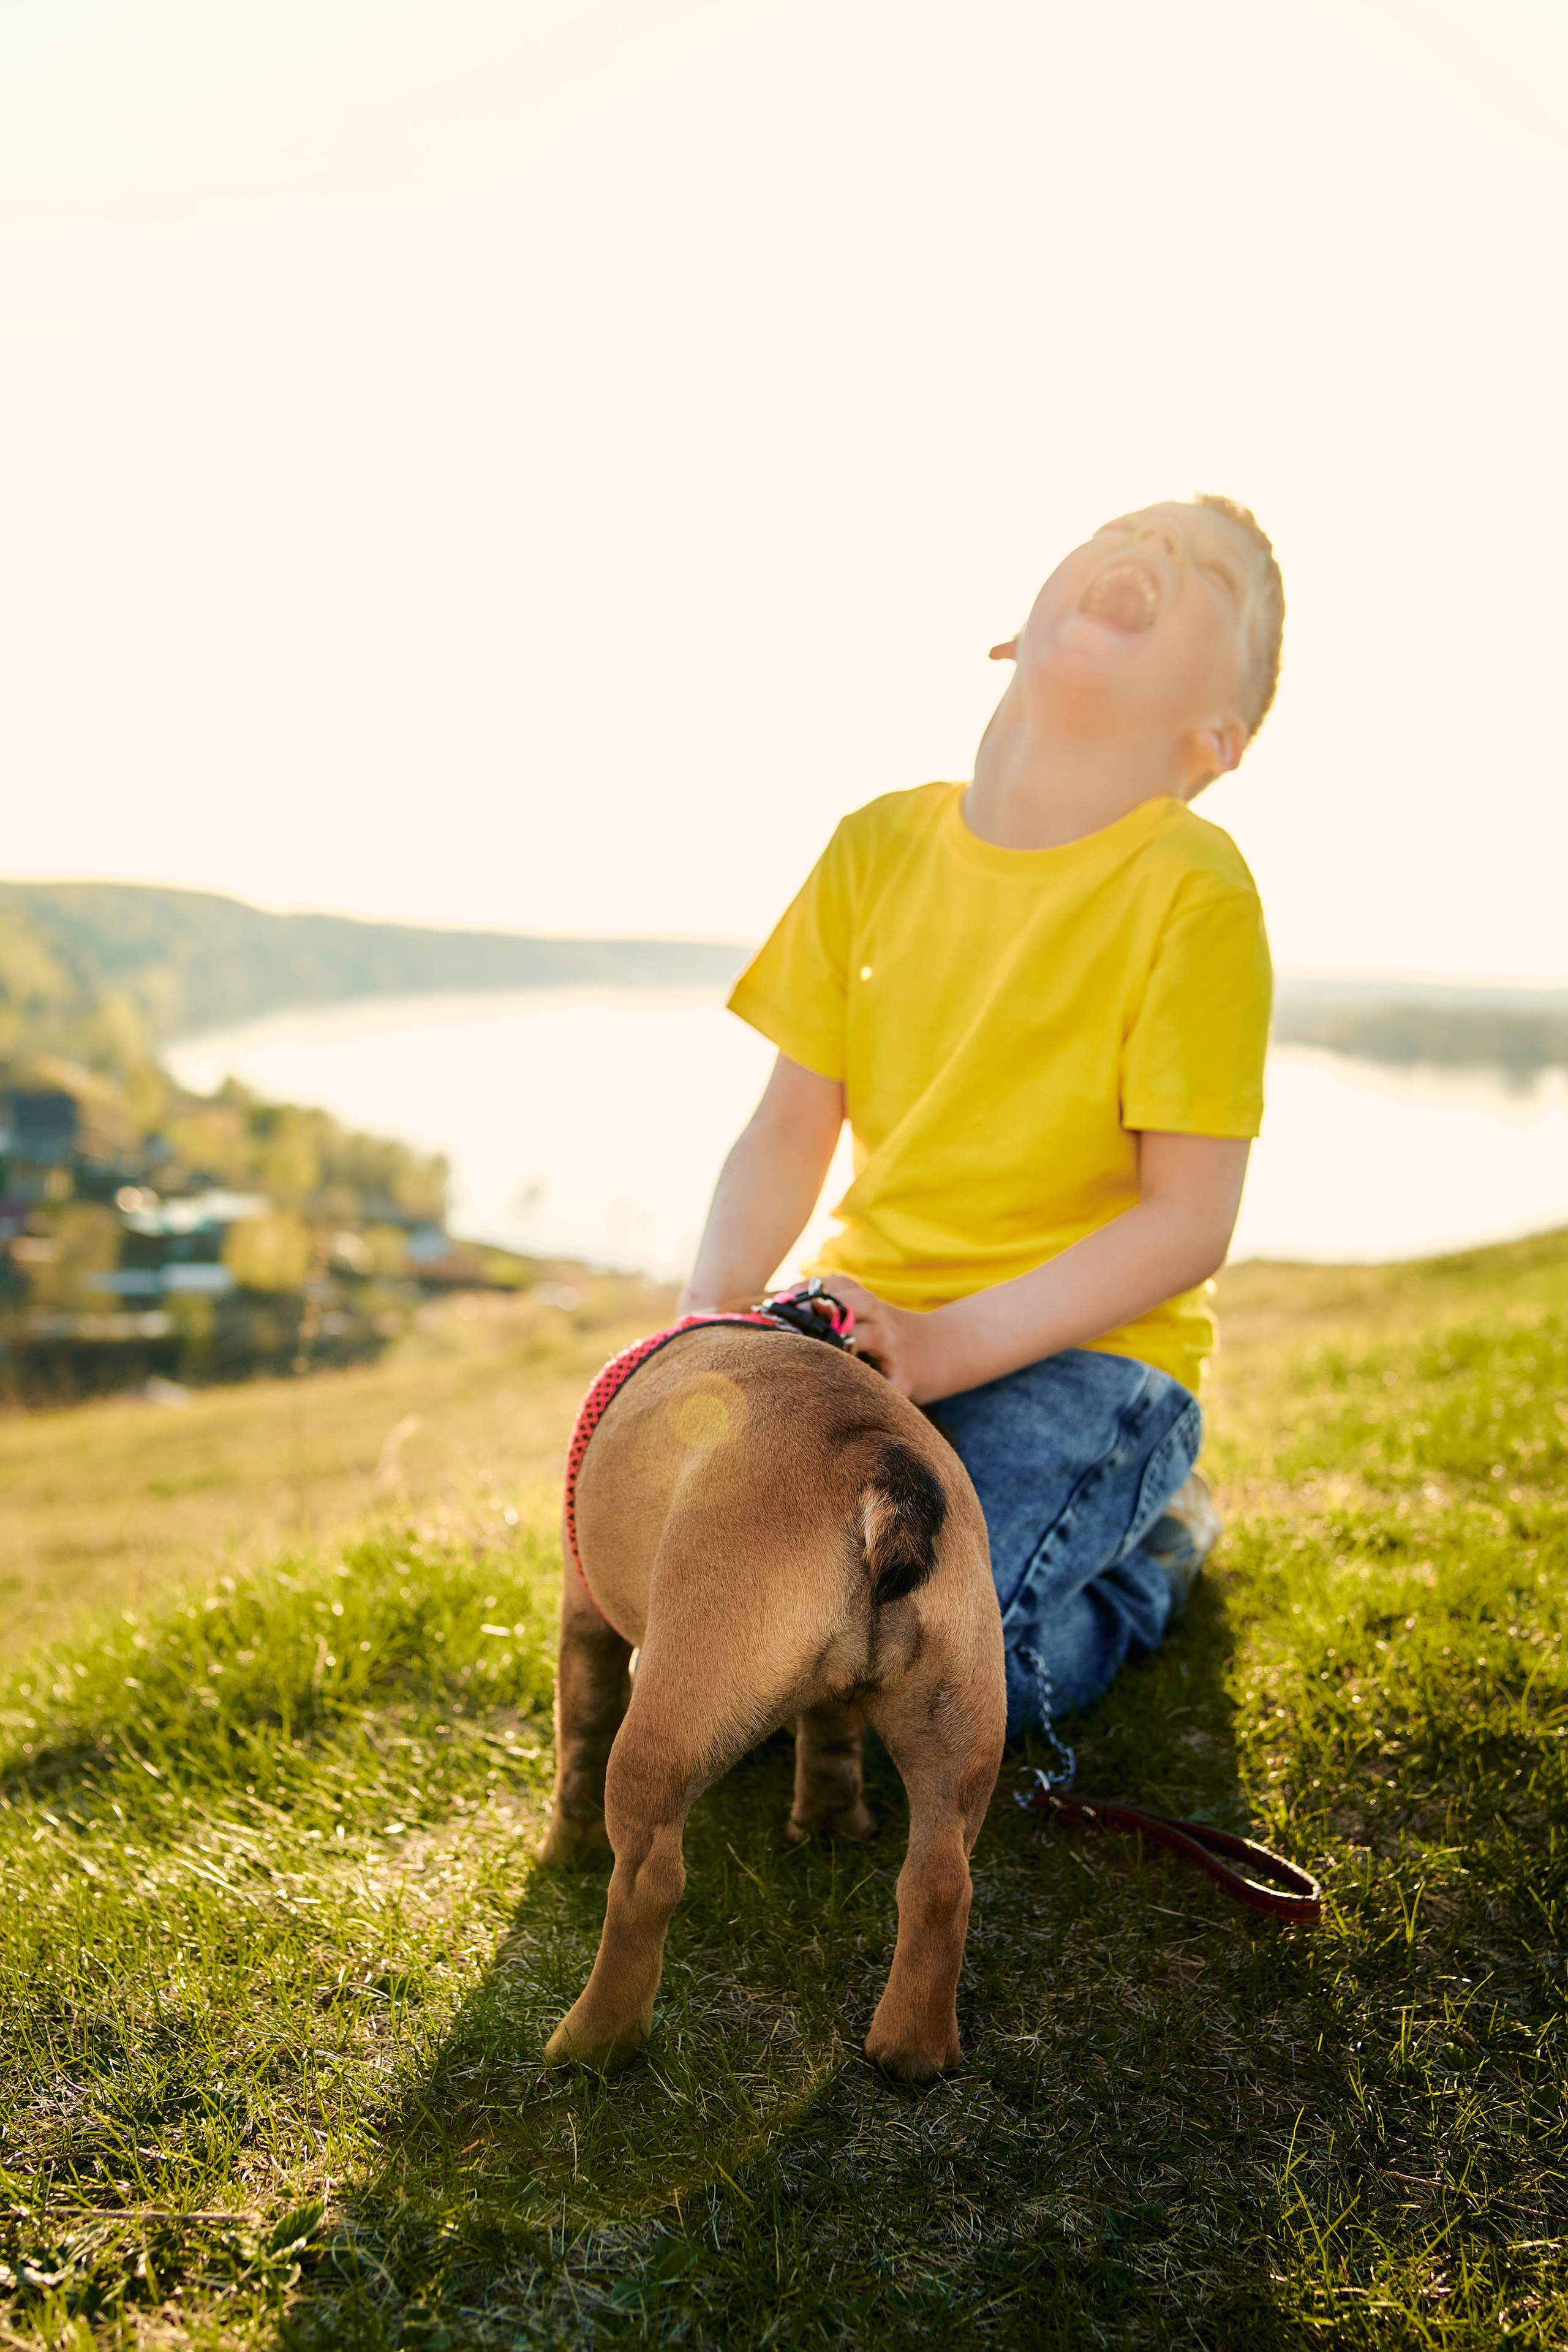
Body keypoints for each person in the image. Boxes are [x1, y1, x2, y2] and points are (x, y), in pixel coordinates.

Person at [679, 495, 1283, 1740]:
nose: (1155, 551)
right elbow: (790, 1128)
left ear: (1214, 736)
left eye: (1208, 576)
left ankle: (1154, 1552)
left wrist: (945, 1350)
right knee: (712, 1655)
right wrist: (706, 1327)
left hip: (1084, 1363)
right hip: (868, 1330)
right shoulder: (876, 844)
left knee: (908, 1670)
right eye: (1134, 528)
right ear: (1013, 635)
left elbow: (1185, 1223)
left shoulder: (1192, 888)